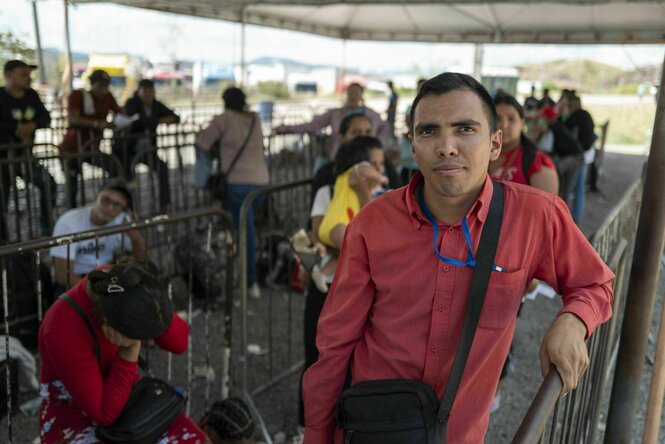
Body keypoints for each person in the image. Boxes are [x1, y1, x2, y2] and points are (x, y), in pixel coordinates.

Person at [301, 72, 614, 443]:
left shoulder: (535, 215)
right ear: (412, 146)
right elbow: (334, 345)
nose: (446, 146)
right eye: (429, 131)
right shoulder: (371, 224)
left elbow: (594, 282)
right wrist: (317, 435)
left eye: (465, 129)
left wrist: (573, 321)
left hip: (461, 431)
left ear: (495, 144)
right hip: (375, 426)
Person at [38, 260, 208, 443]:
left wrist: (152, 300)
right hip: (73, 414)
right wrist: (130, 349)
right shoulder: (62, 328)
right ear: (107, 322)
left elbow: (179, 343)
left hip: (126, 396)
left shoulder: (119, 285)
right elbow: (104, 413)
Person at [196, 86, 269, 299]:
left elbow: (203, 142)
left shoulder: (224, 119)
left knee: (245, 233)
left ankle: (251, 281)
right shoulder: (254, 118)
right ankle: (247, 270)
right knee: (248, 228)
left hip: (239, 183)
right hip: (261, 182)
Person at [50, 178, 146, 289]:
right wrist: (98, 291)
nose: (110, 207)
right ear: (95, 198)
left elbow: (142, 260)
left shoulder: (122, 221)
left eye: (117, 205)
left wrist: (135, 237)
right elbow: (63, 277)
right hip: (77, 280)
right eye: (106, 200)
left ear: (123, 210)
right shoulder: (69, 221)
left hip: (107, 276)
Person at [0, 59, 56, 238]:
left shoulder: (31, 95)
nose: (28, 78)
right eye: (23, 74)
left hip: (26, 157)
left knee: (48, 184)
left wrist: (31, 126)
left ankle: (46, 226)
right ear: (8, 76)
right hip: (3, 160)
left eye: (29, 74)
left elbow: (46, 118)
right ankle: (3, 241)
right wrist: (16, 131)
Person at [113, 79, 180, 213]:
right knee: (127, 179)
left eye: (151, 91)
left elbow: (175, 117)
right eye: (145, 91)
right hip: (128, 150)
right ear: (138, 92)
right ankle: (127, 209)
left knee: (161, 168)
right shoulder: (131, 103)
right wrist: (159, 120)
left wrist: (158, 120)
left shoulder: (156, 105)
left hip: (147, 150)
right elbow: (137, 122)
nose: (148, 94)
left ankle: (165, 205)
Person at [59, 69, 124, 208]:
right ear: (91, 84)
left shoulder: (108, 97)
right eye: (100, 86)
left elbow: (120, 113)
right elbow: (72, 119)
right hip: (71, 149)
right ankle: (71, 217)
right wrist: (96, 124)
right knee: (72, 187)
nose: (103, 90)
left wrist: (124, 122)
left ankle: (103, 203)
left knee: (114, 167)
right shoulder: (78, 95)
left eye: (106, 86)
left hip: (91, 148)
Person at [274, 82, 389, 159]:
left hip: (366, 156)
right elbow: (313, 125)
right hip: (340, 156)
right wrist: (286, 128)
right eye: (350, 93)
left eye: (356, 93)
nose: (353, 96)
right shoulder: (336, 113)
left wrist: (378, 143)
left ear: (361, 96)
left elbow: (385, 127)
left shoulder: (372, 115)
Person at [489, 93, 558, 194]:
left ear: (522, 123)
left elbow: (546, 208)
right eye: (498, 119)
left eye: (511, 119)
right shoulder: (480, 155)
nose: (503, 125)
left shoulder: (537, 162)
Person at [564, 95, 596, 223]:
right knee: (579, 185)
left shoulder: (577, 115)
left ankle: (574, 216)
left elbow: (565, 125)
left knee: (574, 185)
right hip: (587, 153)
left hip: (581, 155)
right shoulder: (585, 114)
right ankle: (577, 214)